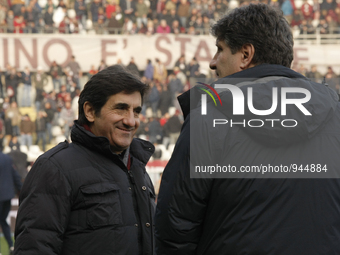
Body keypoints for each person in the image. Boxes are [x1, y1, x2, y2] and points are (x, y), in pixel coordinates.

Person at [155, 4, 340, 255]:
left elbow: (175, 227)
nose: (212, 62)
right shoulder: (334, 115)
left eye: (220, 49)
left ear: (245, 55)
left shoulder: (210, 118)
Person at [14, 65, 156, 255]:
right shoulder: (54, 168)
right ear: (89, 111)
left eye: (136, 111)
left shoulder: (138, 168)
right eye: (121, 108)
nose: (131, 120)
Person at [0, 150, 22, 255]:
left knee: (3, 221)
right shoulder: (7, 158)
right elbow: (15, 176)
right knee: (3, 221)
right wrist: (22, 190)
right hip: (7, 196)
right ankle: (11, 246)